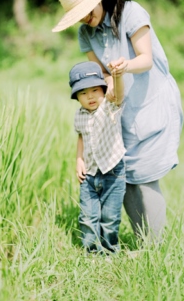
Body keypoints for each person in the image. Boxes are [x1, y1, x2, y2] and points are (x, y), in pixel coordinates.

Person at [54, 0, 184, 243]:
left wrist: (124, 67)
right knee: (123, 176)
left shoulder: (131, 13)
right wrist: (104, 90)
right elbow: (98, 74)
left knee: (145, 176)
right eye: (78, 15)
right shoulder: (85, 33)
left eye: (87, 11)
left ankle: (156, 248)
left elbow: (146, 59)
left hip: (150, 102)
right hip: (119, 109)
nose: (85, 19)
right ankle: (145, 241)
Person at [69, 60, 127, 253]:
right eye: (83, 93)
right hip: (90, 174)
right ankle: (91, 252)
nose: (90, 96)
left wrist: (116, 77)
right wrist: (79, 160)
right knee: (88, 216)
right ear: (77, 97)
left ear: (103, 89)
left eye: (94, 90)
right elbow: (81, 137)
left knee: (110, 217)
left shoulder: (109, 107)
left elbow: (118, 94)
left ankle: (110, 250)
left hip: (113, 172)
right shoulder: (80, 115)